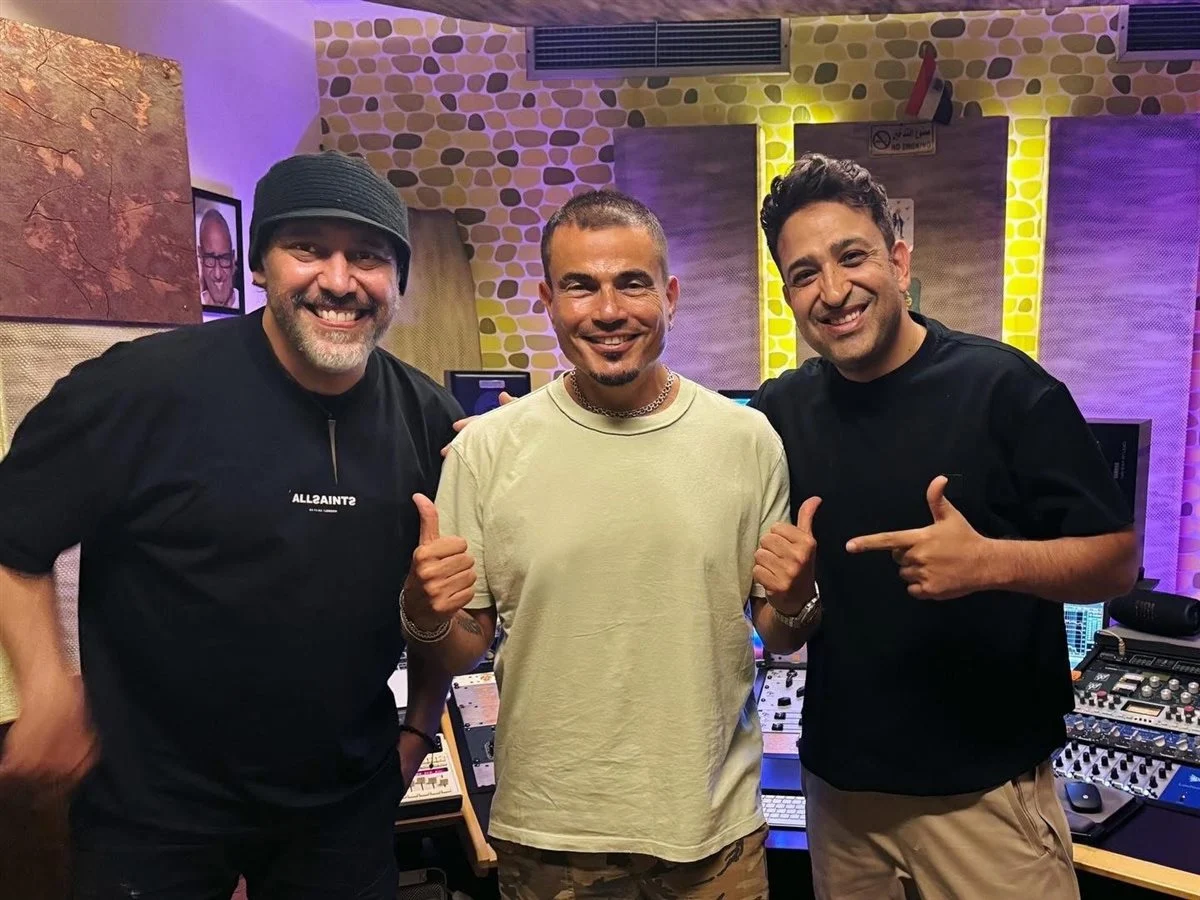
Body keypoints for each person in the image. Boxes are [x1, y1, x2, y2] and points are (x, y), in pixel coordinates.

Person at [0, 151, 462, 899]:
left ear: (397, 280)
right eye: (307, 247)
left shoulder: (428, 417)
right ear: (259, 264)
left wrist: (418, 726)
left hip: (341, 801)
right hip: (153, 806)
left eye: (369, 257)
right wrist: (45, 685)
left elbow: (447, 600)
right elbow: (13, 535)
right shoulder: (140, 389)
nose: (339, 280)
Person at [400, 189, 820, 900]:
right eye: (580, 286)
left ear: (670, 296)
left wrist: (799, 598)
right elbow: (463, 646)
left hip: (713, 836)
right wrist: (423, 615)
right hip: (549, 838)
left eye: (632, 283)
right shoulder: (487, 451)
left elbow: (778, 631)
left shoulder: (747, 441)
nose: (608, 310)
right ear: (548, 301)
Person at [751, 152, 1138, 900]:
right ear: (790, 294)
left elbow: (1117, 561)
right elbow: (782, 629)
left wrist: (992, 563)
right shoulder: (779, 414)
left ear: (898, 261)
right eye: (804, 274)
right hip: (842, 799)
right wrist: (793, 600)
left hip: (985, 799)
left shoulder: (1007, 389)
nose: (833, 291)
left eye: (852, 257)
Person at [198, 207, 241, 309]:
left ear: (232, 259)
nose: (218, 275)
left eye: (224, 259)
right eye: (210, 259)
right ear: (201, 257)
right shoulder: (193, 305)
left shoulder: (246, 301)